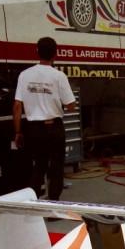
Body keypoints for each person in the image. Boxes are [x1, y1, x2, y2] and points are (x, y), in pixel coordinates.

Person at [13, 37, 76, 200]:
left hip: (33, 129)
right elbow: (71, 105)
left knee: (38, 166)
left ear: (37, 51)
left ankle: (33, 204)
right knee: (56, 168)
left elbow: (17, 106)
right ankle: (53, 206)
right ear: (55, 54)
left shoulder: (24, 75)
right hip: (54, 128)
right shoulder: (59, 76)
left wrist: (18, 132)